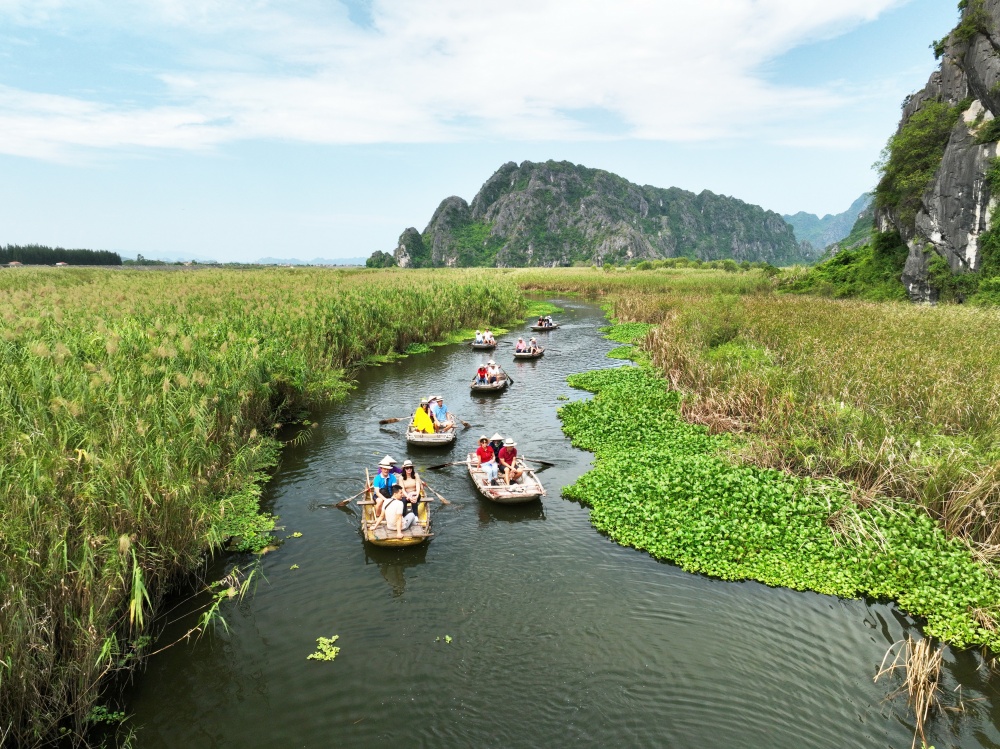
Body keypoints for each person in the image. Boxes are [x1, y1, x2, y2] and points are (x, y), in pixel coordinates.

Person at [399, 460, 424, 524]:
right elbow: (402, 490)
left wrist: (416, 495)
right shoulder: (401, 477)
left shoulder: (416, 475)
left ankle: (415, 515)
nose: (409, 469)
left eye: (410, 468)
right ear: (404, 469)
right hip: (405, 495)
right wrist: (408, 496)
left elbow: (418, 487)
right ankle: (403, 516)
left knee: (414, 499)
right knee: (403, 500)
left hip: (415, 493)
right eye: (407, 468)